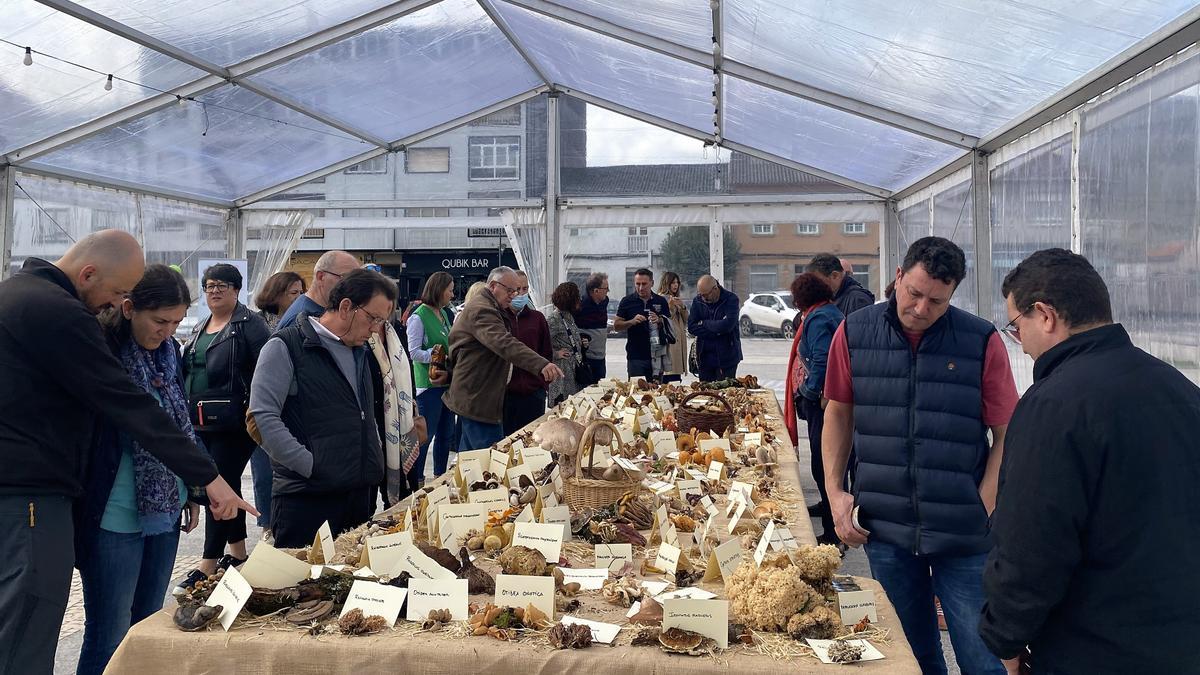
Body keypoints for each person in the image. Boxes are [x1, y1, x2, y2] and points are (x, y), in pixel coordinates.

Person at [0, 230, 250, 673]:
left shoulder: (17, 294)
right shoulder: (59, 312)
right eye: (116, 293)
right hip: (33, 494)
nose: (114, 304)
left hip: (34, 489)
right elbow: (126, 403)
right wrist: (208, 477)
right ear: (89, 273)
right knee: (30, 624)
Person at [979, 249, 1200, 675]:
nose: (1019, 343)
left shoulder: (1053, 405)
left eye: (1015, 326)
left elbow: (1032, 543)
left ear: (1045, 315)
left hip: (1092, 647)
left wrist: (1004, 636)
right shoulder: (1179, 389)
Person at [821, 236, 1017, 675]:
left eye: (937, 300)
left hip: (964, 533)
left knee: (981, 655)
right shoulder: (853, 331)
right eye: (914, 293)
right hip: (885, 528)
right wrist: (836, 492)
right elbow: (838, 412)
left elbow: (1008, 432)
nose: (922, 308)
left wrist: (986, 502)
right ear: (897, 277)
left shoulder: (980, 340)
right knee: (908, 654)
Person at [75, 265, 204, 675]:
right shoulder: (100, 353)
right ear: (129, 308)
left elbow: (179, 424)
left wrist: (194, 489)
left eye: (177, 322)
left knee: (148, 624)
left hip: (165, 509)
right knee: (109, 631)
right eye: (160, 320)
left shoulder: (169, 354)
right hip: (113, 513)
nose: (167, 331)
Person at [249, 269, 396, 548]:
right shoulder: (286, 346)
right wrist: (310, 466)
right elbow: (261, 418)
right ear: (345, 307)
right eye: (373, 318)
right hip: (307, 501)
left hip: (358, 495)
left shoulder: (360, 351)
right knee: (302, 587)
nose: (376, 328)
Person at [178, 264, 271, 589]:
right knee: (225, 485)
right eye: (209, 286)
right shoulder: (201, 326)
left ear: (236, 289)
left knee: (218, 485)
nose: (214, 291)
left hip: (235, 422)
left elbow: (267, 369)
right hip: (201, 421)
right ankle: (238, 554)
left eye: (222, 285)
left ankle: (207, 562)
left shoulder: (250, 325)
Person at [443, 267, 564, 450]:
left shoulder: (492, 307)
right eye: (510, 290)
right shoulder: (482, 309)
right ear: (493, 286)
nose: (514, 295)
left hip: (478, 397)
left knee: (471, 461)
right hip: (479, 399)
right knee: (489, 460)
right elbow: (505, 343)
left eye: (518, 291)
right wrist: (541, 364)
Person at [782, 273, 844, 546]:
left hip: (823, 403)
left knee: (824, 464)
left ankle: (833, 535)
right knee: (830, 465)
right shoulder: (828, 311)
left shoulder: (818, 319)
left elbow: (821, 359)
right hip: (828, 400)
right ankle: (831, 519)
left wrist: (809, 392)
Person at [249, 270, 307, 537]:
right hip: (266, 403)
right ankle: (266, 523)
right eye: (293, 293)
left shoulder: (306, 320)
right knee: (263, 472)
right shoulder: (258, 323)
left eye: (301, 292)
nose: (299, 298)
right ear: (276, 294)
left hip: (295, 408)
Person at [368, 307, 423, 508]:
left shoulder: (395, 330)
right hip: (375, 421)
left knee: (407, 489)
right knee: (372, 495)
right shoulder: (360, 337)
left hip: (403, 421)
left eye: (390, 305)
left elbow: (406, 366)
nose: (386, 310)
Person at [407, 272, 456, 487]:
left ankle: (440, 476)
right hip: (428, 386)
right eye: (450, 290)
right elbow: (414, 352)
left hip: (446, 383)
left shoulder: (444, 314)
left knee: (446, 434)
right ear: (439, 290)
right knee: (426, 436)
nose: (452, 294)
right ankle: (417, 480)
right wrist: (436, 356)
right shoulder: (418, 316)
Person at [503, 271, 553, 435]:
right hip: (505, 396)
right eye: (517, 289)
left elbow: (546, 352)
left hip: (533, 394)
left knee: (532, 441)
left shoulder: (537, 318)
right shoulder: (499, 319)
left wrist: (541, 386)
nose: (521, 294)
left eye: (525, 289)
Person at [276, 250, 360, 329]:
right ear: (320, 277)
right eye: (345, 278)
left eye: (356, 281)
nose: (353, 286)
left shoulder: (316, 311)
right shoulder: (301, 320)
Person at [614, 268, 673, 381]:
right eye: (638, 284)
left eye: (644, 284)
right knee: (637, 393)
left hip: (657, 355)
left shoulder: (661, 301)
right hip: (636, 356)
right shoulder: (627, 301)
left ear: (652, 283)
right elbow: (616, 326)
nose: (641, 288)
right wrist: (631, 322)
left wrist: (660, 320)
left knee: (657, 392)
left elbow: (670, 324)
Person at [687, 275, 742, 382]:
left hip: (727, 357)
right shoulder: (698, 301)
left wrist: (704, 323)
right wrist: (717, 331)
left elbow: (728, 325)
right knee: (705, 393)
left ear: (715, 289)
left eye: (706, 295)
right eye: (701, 295)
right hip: (704, 357)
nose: (703, 298)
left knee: (725, 393)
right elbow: (691, 327)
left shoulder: (731, 299)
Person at [547, 282, 584, 406]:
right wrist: (556, 354)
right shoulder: (554, 319)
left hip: (572, 369)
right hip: (562, 371)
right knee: (563, 405)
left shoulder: (568, 316)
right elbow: (541, 344)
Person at [807, 253, 875, 318]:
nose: (815, 286)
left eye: (818, 281)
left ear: (835, 276)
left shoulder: (858, 300)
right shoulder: (829, 297)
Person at [575, 272, 611, 385]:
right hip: (587, 358)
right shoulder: (581, 306)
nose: (608, 291)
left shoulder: (604, 301)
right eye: (606, 288)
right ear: (596, 291)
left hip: (601, 357)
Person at [658, 271, 689, 383]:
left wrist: (683, 307)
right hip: (669, 344)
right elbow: (663, 321)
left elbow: (686, 320)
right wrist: (670, 308)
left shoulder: (676, 298)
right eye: (672, 283)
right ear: (667, 283)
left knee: (676, 378)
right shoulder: (660, 299)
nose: (675, 285)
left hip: (679, 342)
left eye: (677, 282)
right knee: (669, 376)